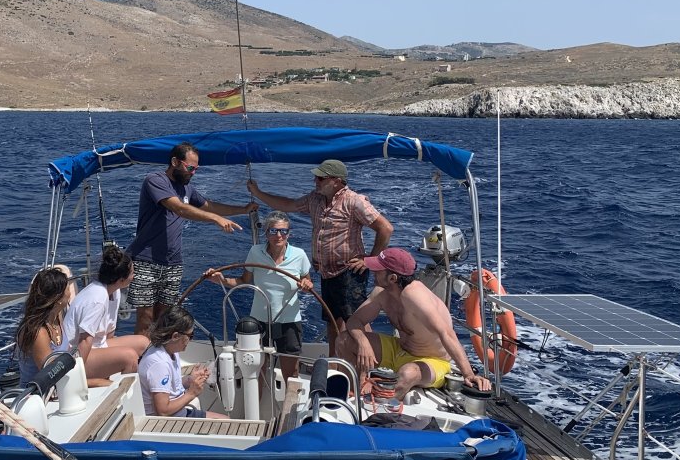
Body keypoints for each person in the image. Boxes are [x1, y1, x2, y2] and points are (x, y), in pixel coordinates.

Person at [247, 159, 392, 353]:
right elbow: (288, 205)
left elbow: (385, 228)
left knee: (356, 323)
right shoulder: (314, 198)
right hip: (326, 273)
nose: (316, 181)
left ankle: (367, 366)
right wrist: (258, 193)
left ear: (337, 181)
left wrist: (369, 261)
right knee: (333, 323)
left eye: (321, 178)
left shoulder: (354, 201)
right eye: (316, 177)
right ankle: (335, 365)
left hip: (349, 273)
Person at [127, 142, 258, 336]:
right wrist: (216, 219)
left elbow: (209, 206)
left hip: (173, 263)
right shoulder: (155, 180)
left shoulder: (187, 189)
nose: (193, 173)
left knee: (164, 319)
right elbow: (179, 208)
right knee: (146, 320)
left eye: (196, 169)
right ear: (174, 162)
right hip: (146, 260)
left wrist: (242, 210)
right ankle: (141, 362)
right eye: (190, 168)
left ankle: (160, 361)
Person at [339, 247, 490, 400]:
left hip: (431, 361)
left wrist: (468, 374)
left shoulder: (415, 296)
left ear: (392, 278)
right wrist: (363, 343)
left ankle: (383, 410)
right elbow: (355, 321)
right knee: (344, 340)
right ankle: (355, 394)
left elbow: (447, 334)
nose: (373, 272)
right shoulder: (381, 293)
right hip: (399, 350)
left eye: (378, 270)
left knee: (408, 373)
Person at [205, 211, 312, 380]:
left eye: (283, 231)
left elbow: (307, 282)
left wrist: (306, 285)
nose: (279, 235)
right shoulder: (255, 252)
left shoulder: (299, 255)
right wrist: (221, 280)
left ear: (289, 233)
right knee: (257, 371)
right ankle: (255, 405)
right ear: (266, 233)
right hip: (259, 321)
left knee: (291, 374)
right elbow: (243, 280)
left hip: (289, 323)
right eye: (273, 231)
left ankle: (293, 407)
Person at [62, 245, 150, 384]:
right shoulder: (97, 299)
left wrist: (108, 365)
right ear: (120, 280)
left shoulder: (114, 292)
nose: (134, 276)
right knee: (130, 357)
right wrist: (76, 376)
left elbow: (108, 334)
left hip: (96, 347)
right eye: (132, 273)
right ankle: (122, 395)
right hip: (75, 354)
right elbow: (84, 341)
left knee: (144, 343)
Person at [137, 306, 227, 418]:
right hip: (166, 422)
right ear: (175, 336)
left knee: (226, 420)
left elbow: (171, 389)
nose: (191, 340)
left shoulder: (170, 352)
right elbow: (162, 411)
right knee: (227, 422)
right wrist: (191, 393)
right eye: (190, 336)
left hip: (178, 414)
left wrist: (190, 380)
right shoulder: (159, 364)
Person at [15, 265, 76, 384]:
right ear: (58, 299)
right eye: (68, 289)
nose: (70, 292)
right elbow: (49, 376)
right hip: (37, 395)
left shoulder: (56, 316)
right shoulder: (39, 333)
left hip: (60, 386)